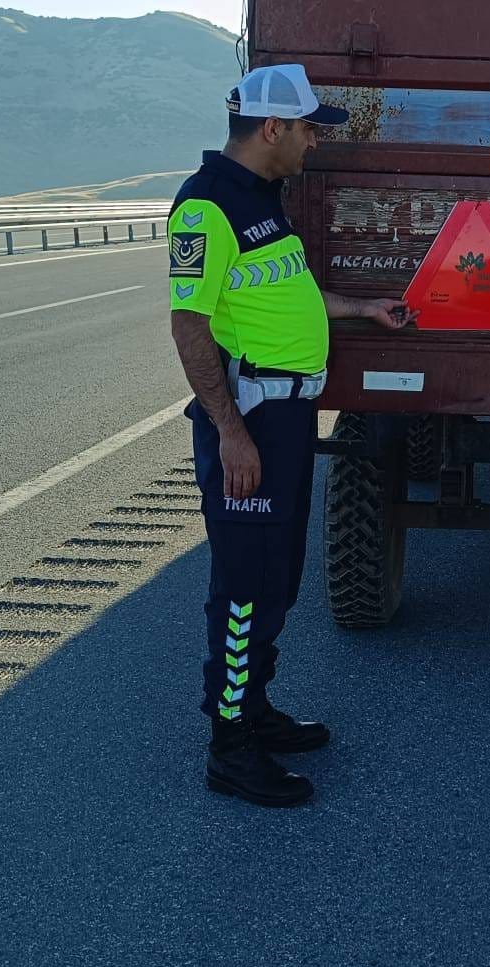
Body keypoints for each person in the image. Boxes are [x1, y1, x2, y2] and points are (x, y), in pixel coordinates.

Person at [168, 64, 415, 808]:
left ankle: (256, 709)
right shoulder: (206, 208)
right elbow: (190, 324)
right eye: (308, 128)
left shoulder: (261, 202)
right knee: (243, 588)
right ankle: (230, 747)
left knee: (276, 577)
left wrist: (362, 309)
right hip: (252, 420)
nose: (314, 141)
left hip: (287, 418)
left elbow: (290, 296)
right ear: (272, 128)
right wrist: (230, 431)